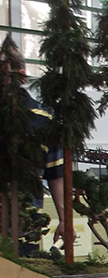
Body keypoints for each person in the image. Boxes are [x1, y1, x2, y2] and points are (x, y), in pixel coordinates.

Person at [0, 39, 67, 244]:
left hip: (25, 221)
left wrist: (64, 219)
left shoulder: (42, 121)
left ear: (20, 77)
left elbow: (55, 174)